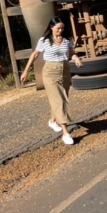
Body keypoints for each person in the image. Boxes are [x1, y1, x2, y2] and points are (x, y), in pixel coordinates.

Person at [21, 16, 82, 145]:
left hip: (65, 70)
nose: (60, 30)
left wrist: (76, 58)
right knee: (60, 101)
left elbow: (71, 52)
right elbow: (35, 54)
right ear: (51, 27)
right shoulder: (44, 40)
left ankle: (52, 121)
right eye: (58, 28)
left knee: (62, 97)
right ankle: (65, 133)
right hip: (50, 72)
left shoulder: (67, 40)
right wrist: (26, 70)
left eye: (62, 28)